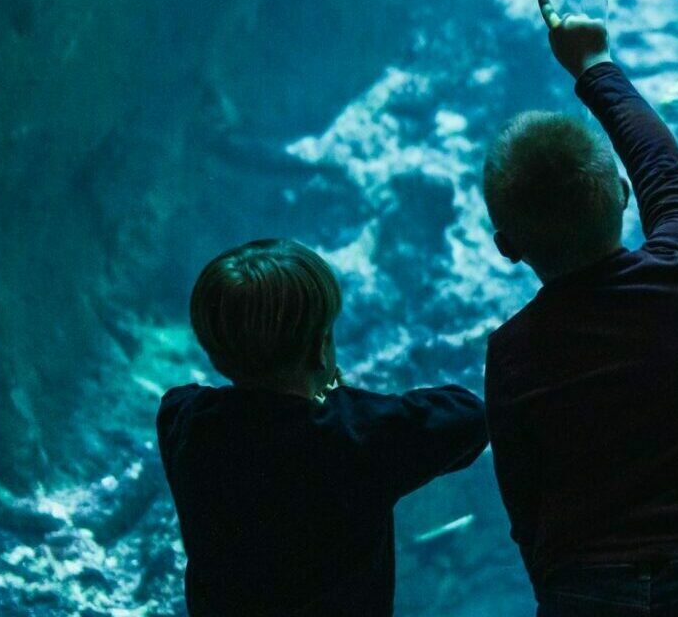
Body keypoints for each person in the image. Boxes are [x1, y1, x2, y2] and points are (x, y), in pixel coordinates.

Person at [482, 0, 678, 617]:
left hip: (586, 588)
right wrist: (594, 64)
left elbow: (522, 497)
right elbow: (665, 169)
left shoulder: (512, 352)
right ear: (621, 193)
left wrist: (557, 583)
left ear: (507, 247)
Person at [157, 239, 489, 617]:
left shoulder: (185, 422)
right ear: (320, 348)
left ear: (214, 351)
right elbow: (468, 416)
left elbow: (195, 402)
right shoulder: (356, 439)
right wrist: (339, 398)